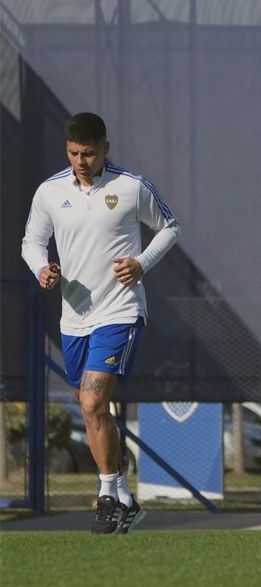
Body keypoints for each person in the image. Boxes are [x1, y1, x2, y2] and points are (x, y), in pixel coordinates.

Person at [21, 112, 180, 534]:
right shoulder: (50, 192)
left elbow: (169, 227)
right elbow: (32, 241)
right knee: (93, 412)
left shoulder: (131, 186)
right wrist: (42, 269)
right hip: (74, 317)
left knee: (92, 403)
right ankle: (124, 497)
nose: (80, 161)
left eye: (88, 153)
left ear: (105, 149)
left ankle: (107, 494)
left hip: (120, 311)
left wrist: (141, 263)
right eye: (73, 153)